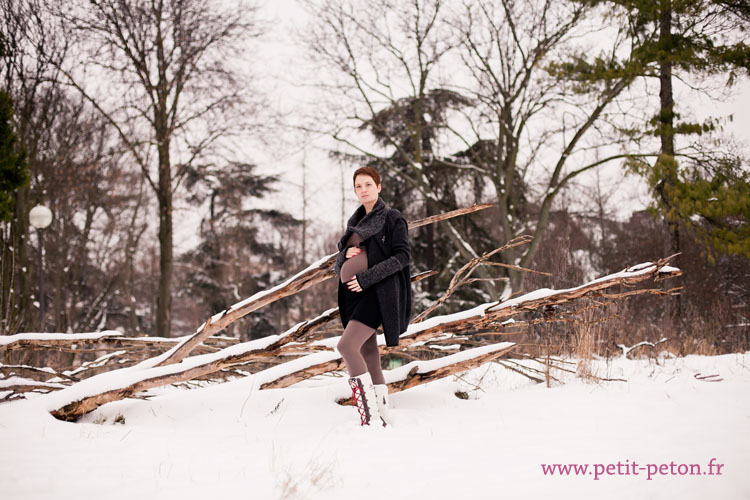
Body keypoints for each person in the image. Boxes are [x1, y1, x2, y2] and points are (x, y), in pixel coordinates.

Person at [333, 167, 412, 427]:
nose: (363, 189)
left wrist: (365, 278)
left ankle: (368, 415)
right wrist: (345, 256)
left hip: (376, 295)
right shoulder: (354, 222)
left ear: (379, 187)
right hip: (352, 297)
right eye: (358, 186)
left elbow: (402, 257)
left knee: (346, 347)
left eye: (368, 184)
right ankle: (383, 412)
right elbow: (339, 263)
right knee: (368, 352)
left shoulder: (392, 218)